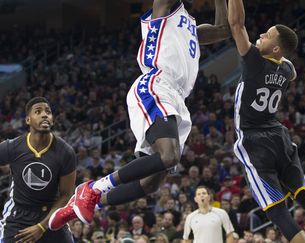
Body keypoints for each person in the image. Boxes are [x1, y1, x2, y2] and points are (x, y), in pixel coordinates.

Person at [49, 0, 230, 229]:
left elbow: (224, 30)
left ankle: (87, 204)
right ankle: (92, 188)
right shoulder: (164, 10)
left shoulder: (189, 28)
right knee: (169, 156)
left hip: (178, 98)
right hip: (157, 84)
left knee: (151, 184)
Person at [227, 0, 305, 242]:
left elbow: (236, 23)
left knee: (277, 210)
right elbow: (291, 71)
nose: (261, 34)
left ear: (275, 49)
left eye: (268, 34)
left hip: (254, 140)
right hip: (280, 137)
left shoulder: (254, 60)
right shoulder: (285, 68)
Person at [0, 97, 76, 242]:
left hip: (50, 215)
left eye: (48, 112)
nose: (44, 114)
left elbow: (66, 195)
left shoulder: (65, 152)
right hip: (18, 216)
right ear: (28, 120)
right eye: (38, 111)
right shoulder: (13, 147)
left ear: (52, 120)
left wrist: (41, 227)